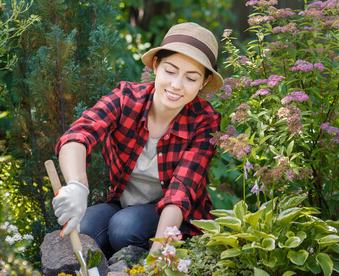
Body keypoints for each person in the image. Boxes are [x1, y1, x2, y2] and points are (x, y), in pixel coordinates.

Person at [52, 22, 224, 258]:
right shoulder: (126, 99)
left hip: (175, 217)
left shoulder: (205, 121)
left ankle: (133, 259)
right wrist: (77, 186)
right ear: (156, 65)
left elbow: (180, 194)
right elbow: (77, 136)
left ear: (204, 83)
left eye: (191, 78)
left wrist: (159, 257)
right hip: (123, 205)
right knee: (87, 227)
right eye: (170, 71)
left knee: (124, 228)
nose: (176, 85)